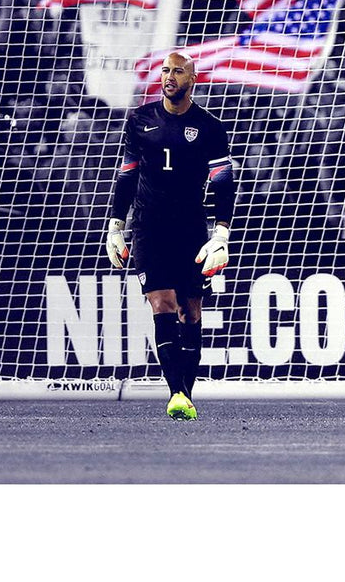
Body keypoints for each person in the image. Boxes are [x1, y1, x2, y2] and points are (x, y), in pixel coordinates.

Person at [105, 51, 236, 420]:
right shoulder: (140, 119)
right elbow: (127, 175)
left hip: (190, 226)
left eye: (178, 71)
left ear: (193, 79)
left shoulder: (209, 127)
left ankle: (186, 394)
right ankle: (177, 393)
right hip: (148, 225)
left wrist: (220, 234)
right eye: (165, 70)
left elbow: (223, 183)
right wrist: (116, 227)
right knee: (160, 303)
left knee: (190, 311)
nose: (169, 76)